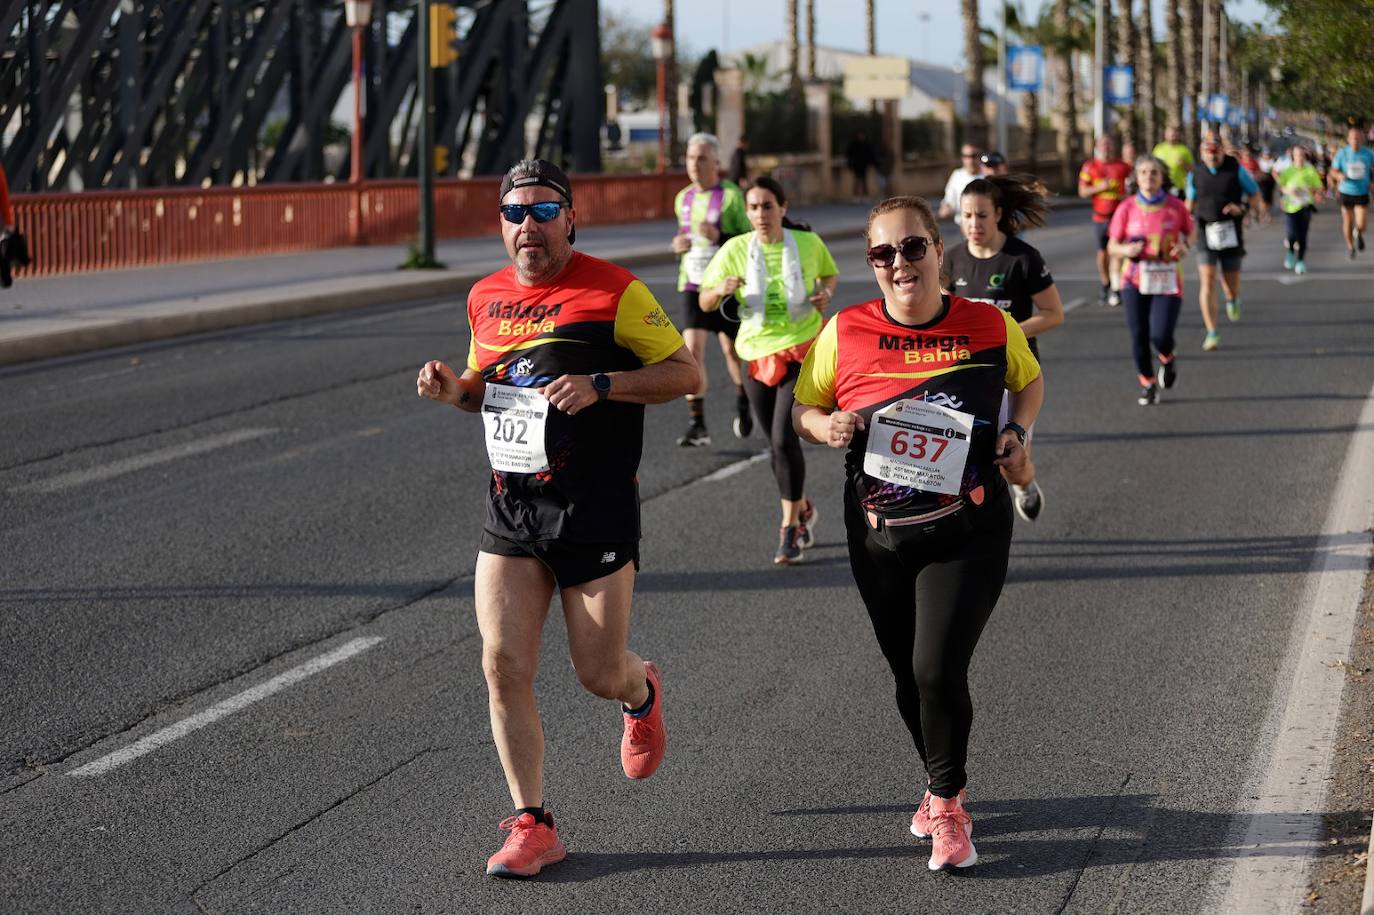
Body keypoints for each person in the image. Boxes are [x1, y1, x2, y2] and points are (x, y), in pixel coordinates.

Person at [415, 159, 699, 879]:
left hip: (595, 506)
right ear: (501, 224)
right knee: (502, 662)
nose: (529, 226)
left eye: (544, 212)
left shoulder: (616, 292)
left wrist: (603, 383)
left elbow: (686, 374)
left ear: (571, 218)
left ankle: (641, 691)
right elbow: (489, 389)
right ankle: (533, 821)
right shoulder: (485, 297)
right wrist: (456, 391)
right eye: (516, 214)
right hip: (514, 507)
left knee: (598, 672)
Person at [791, 195, 1043, 872]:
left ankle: (949, 804)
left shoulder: (988, 325)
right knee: (908, 673)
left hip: (969, 526)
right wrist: (827, 427)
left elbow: (1030, 380)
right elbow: (804, 407)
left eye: (911, 247)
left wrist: (1016, 433)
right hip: (877, 531)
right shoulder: (845, 331)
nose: (898, 263)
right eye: (883, 253)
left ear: (938, 251)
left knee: (937, 666)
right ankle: (937, 782)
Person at [699, 176, 838, 565]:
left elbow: (829, 275)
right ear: (747, 212)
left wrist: (825, 294)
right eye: (754, 207)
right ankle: (803, 506)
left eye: (767, 206)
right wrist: (722, 288)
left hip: (801, 349)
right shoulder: (735, 250)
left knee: (782, 438)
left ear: (783, 207)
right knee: (772, 443)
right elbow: (706, 301)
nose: (761, 214)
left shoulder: (807, 244)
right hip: (756, 354)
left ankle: (789, 528)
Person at [944, 174, 1063, 521]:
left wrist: (1004, 334)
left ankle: (1024, 484)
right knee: (969, 458)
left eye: (981, 215)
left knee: (1011, 459)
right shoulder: (951, 260)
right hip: (967, 375)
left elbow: (1053, 314)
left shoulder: (1022, 258)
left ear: (997, 214)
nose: (973, 224)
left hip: (1016, 376)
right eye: (966, 216)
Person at [671, 132, 754, 447]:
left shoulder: (731, 195)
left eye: (702, 158)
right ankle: (698, 424)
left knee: (732, 352)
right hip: (692, 282)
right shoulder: (683, 198)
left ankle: (743, 398)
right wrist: (678, 245)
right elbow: (683, 236)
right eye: (691, 158)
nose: (695, 164)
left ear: (716, 163)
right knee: (691, 352)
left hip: (727, 284)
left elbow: (748, 239)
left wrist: (720, 235)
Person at [1108, 156, 1196, 406]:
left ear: (1162, 177)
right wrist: (1126, 251)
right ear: (1137, 177)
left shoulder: (1175, 206)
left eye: (1154, 172)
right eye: (1144, 172)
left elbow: (1191, 233)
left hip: (1167, 280)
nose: (1149, 176)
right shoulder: (1126, 208)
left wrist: (1184, 246)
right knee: (1138, 335)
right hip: (1134, 280)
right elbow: (1112, 245)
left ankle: (1167, 356)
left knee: (1160, 335)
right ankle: (1147, 382)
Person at [1187, 132, 1257, 351]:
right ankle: (1212, 332)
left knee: (1230, 284)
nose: (1212, 156)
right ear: (1201, 152)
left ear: (1221, 150)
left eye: (1215, 152)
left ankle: (1233, 298)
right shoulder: (1196, 174)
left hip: (1230, 232)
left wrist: (1242, 208)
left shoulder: (1235, 169)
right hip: (1205, 231)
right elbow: (1189, 203)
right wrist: (1183, 222)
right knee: (1207, 280)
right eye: (1207, 152)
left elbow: (1255, 196)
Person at [1078, 134, 1133, 306]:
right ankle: (1106, 283)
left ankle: (1116, 288)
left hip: (1119, 218)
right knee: (1103, 254)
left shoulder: (1122, 166)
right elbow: (1082, 192)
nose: (1106, 147)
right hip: (1100, 217)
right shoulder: (1090, 167)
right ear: (1097, 146)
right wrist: (1100, 187)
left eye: (1109, 144)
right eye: (1103, 144)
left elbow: (1133, 185)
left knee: (1116, 252)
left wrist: (1127, 195)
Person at [1277, 145, 1325, 275]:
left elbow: (1319, 187)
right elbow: (1281, 187)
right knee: (1292, 234)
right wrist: (1289, 191)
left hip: (1305, 206)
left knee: (1302, 236)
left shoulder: (1310, 171)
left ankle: (1300, 261)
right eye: (1297, 155)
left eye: (1302, 155)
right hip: (1290, 207)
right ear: (1293, 156)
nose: (1300, 157)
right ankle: (1291, 251)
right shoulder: (1287, 171)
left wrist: (1312, 189)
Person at [1330, 124, 1374, 259]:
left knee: (1361, 224)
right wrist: (1339, 176)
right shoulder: (1342, 153)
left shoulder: (1368, 153)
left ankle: (1358, 233)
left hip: (1362, 192)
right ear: (1348, 139)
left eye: (1357, 138)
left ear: (1361, 138)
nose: (1355, 140)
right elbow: (1333, 171)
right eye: (1352, 138)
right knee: (1348, 221)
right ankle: (1350, 246)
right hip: (1346, 191)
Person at [938, 144, 982, 221]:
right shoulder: (957, 175)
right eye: (966, 156)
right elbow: (949, 199)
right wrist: (947, 207)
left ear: (980, 157)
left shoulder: (987, 175)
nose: (970, 160)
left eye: (973, 156)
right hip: (959, 225)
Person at [1152, 124, 1195, 199]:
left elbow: (1192, 169)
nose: (1172, 135)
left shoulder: (1184, 150)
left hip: (1178, 187)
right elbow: (1152, 166)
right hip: (1161, 186)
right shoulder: (1158, 149)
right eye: (1170, 133)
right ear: (1165, 135)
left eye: (1174, 133)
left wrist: (1184, 164)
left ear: (1178, 135)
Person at [846, 131, 877, 197]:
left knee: (864, 180)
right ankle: (855, 195)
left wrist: (872, 163)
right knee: (857, 180)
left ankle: (865, 195)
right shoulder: (854, 145)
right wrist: (850, 163)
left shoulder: (866, 145)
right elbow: (849, 154)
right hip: (856, 165)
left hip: (864, 165)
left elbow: (870, 154)